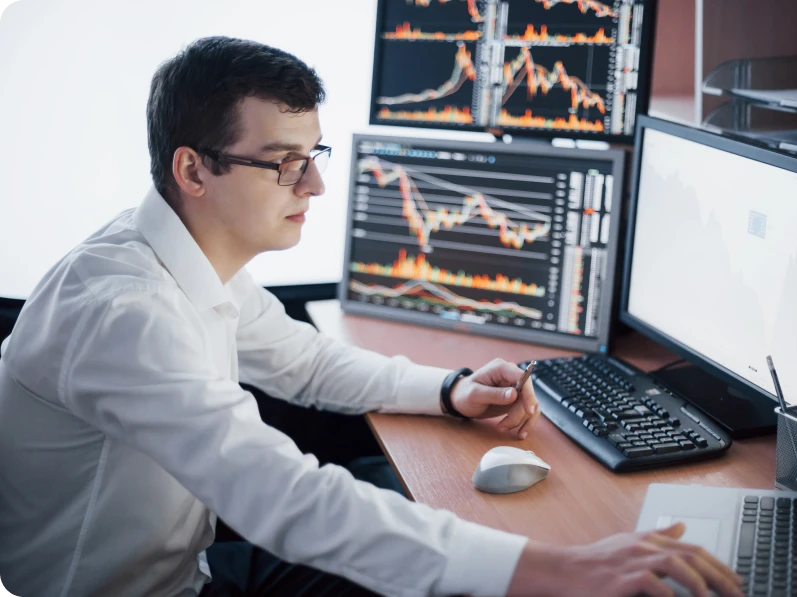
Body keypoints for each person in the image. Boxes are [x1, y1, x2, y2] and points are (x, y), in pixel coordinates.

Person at [0, 36, 743, 597]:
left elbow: (305, 360)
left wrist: (449, 389)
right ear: (193, 169)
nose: (317, 182)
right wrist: (557, 568)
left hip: (189, 563)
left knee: (403, 501)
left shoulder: (183, 258)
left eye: (312, 152)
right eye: (285, 161)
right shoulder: (123, 311)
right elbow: (278, 493)